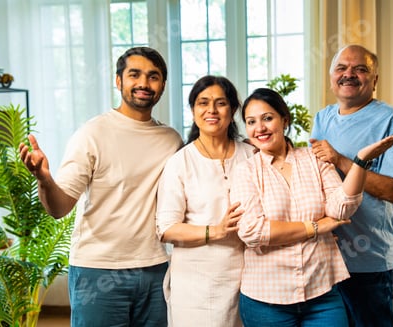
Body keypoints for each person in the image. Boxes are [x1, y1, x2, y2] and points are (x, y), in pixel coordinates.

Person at [18, 47, 183, 327]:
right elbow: (59, 208)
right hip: (98, 270)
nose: (144, 83)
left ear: (163, 86)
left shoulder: (171, 140)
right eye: (134, 75)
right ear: (118, 81)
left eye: (153, 76)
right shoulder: (91, 134)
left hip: (156, 268)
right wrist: (44, 179)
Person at [229, 87, 393, 327]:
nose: (259, 128)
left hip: (321, 294)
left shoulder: (314, 159)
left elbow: (341, 209)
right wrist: (315, 227)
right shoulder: (245, 171)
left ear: (285, 120)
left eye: (267, 118)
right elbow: (253, 231)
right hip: (266, 299)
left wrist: (361, 161)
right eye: (251, 122)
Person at [309, 44, 393, 327]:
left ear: (375, 80)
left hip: (367, 261)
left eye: (360, 69)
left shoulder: (390, 119)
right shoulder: (322, 118)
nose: (349, 74)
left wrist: (343, 161)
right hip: (325, 258)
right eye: (341, 68)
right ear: (332, 76)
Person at [155, 75, 255, 327]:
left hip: (250, 279)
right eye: (203, 103)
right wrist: (216, 231)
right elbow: (166, 229)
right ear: (192, 111)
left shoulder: (252, 155)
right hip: (196, 284)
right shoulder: (180, 162)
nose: (211, 110)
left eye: (220, 103)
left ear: (233, 111)